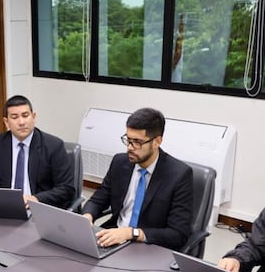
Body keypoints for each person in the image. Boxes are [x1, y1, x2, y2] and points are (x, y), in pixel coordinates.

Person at [81, 107, 193, 250]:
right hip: (114, 236)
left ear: (157, 142)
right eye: (128, 140)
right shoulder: (120, 162)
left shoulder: (179, 175)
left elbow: (178, 234)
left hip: (150, 245)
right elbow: (99, 199)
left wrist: (131, 233)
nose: (130, 147)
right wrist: (87, 216)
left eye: (137, 142)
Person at [0, 95, 75, 208]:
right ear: (6, 122)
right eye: (14, 117)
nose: (21, 122)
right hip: (5, 207)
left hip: (39, 208)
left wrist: (36, 199)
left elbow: (66, 188)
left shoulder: (53, 146)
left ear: (33, 117)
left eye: (25, 115)